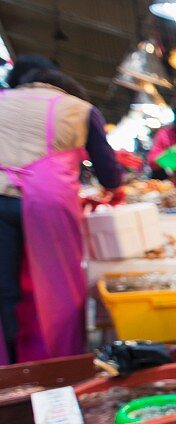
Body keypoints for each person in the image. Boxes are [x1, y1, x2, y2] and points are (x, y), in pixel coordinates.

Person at [0, 55, 124, 364]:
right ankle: (58, 363)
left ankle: (9, 367)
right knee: (59, 286)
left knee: (4, 289)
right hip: (49, 202)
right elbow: (110, 175)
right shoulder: (81, 109)